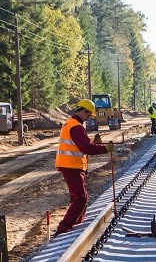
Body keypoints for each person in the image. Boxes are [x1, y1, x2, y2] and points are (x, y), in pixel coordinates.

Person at [55, 99, 114, 236]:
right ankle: (63, 228)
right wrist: (105, 148)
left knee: (80, 197)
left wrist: (95, 143)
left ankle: (77, 224)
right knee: (81, 199)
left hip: (70, 165)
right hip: (71, 166)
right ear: (82, 111)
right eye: (88, 115)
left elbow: (80, 145)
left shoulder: (71, 124)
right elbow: (86, 148)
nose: (88, 118)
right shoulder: (76, 127)